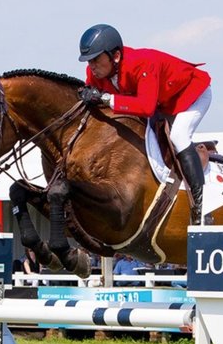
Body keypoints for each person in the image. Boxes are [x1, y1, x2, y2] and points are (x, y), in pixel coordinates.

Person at [75, 23, 213, 225]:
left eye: (96, 59)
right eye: (88, 60)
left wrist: (105, 99)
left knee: (179, 136)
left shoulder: (143, 63)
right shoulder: (95, 73)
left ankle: (201, 208)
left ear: (115, 56)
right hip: (163, 103)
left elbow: (146, 107)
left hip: (191, 95)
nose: (92, 65)